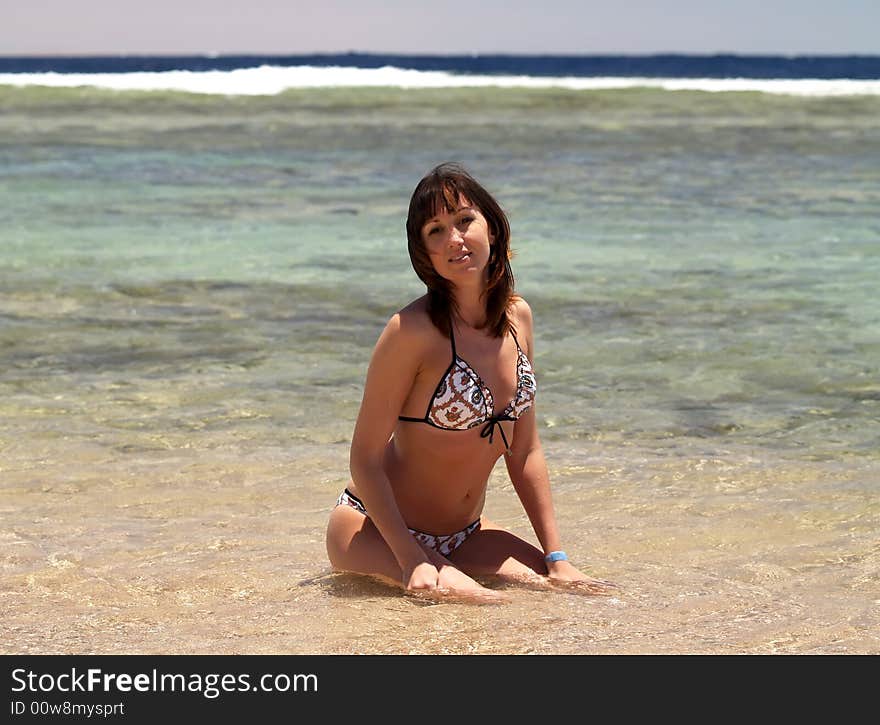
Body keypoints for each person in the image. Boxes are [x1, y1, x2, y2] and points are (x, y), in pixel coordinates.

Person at [326, 162, 617, 601]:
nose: (455, 239)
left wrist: (557, 556)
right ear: (423, 252)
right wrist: (411, 559)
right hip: (378, 532)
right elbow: (364, 459)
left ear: (493, 228)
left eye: (464, 221)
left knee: (584, 592)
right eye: (435, 231)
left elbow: (526, 450)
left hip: (466, 535)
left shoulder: (518, 318)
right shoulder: (410, 332)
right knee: (488, 606)